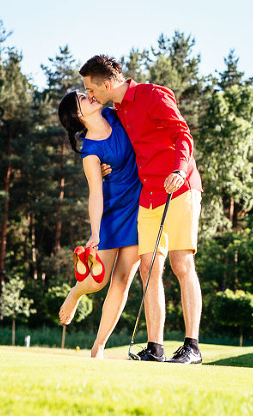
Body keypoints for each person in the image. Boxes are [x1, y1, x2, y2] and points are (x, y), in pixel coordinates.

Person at [80, 54, 203, 364]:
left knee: (181, 263)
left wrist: (177, 169)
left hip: (181, 186)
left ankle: (192, 348)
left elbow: (182, 135)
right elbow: (108, 141)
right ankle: (155, 347)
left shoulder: (153, 95)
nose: (90, 97)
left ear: (107, 84)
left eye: (91, 90)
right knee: (148, 270)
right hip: (148, 196)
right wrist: (110, 166)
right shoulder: (115, 112)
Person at [57, 90, 142, 359]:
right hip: (111, 213)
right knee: (97, 280)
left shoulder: (113, 113)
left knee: (124, 279)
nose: (90, 96)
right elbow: (95, 192)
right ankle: (75, 292)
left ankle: (99, 347)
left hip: (138, 208)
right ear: (78, 115)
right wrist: (95, 231)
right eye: (83, 98)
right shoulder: (90, 151)